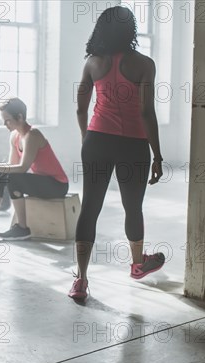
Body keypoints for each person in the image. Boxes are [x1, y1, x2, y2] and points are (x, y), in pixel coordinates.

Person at [71, 6, 166, 300]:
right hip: (134, 145)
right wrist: (158, 155)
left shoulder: (92, 62)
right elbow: (147, 113)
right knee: (132, 206)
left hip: (97, 140)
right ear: (131, 30)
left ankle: (81, 280)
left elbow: (80, 108)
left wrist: (88, 139)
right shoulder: (144, 64)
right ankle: (138, 265)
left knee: (90, 208)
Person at [0, 98, 69, 241]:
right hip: (42, 182)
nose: (4, 124)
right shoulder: (14, 136)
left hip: (57, 185)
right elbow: (11, 165)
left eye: (7, 120)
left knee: (12, 177)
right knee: (1, 174)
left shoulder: (32, 135)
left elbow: (22, 168)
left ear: (20, 117)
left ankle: (22, 228)